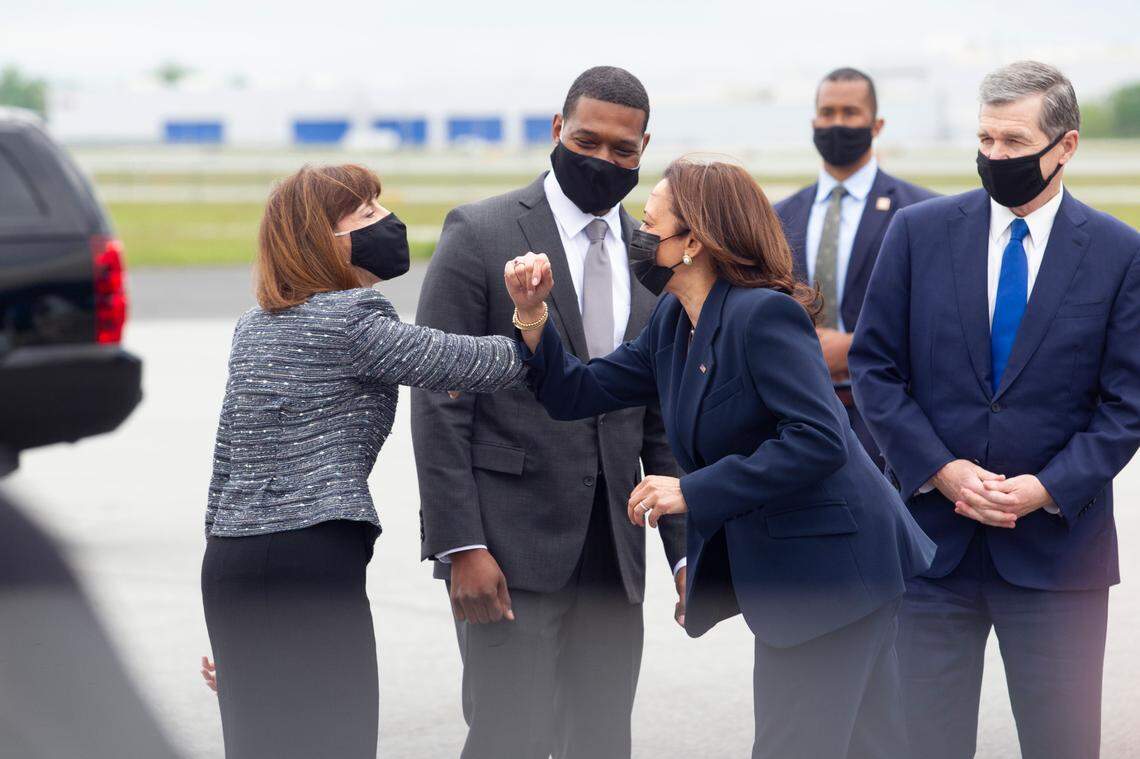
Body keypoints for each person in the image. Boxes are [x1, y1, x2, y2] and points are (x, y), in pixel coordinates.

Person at [503, 157, 935, 759]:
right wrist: (533, 314)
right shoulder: (674, 323)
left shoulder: (764, 314)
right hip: (803, 575)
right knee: (868, 744)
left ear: (693, 242)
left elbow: (818, 438)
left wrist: (692, 489)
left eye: (650, 225)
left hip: (833, 571)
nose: (637, 237)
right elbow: (577, 392)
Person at [849, 61, 1140, 759]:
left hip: (1057, 555)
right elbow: (874, 369)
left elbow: (1126, 403)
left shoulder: (1118, 253)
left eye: (1013, 142)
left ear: (1064, 146)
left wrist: (1048, 487)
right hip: (929, 552)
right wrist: (941, 469)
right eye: (985, 139)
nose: (995, 157)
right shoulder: (919, 234)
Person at [199, 164, 534, 759]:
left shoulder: (254, 327)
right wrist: (532, 322)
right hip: (310, 558)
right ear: (322, 240)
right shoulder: (353, 320)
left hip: (231, 564)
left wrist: (234, 635)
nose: (388, 223)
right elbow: (474, 364)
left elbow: (226, 464)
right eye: (368, 215)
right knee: (338, 739)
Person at [411, 66, 685, 759]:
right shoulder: (480, 231)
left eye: (624, 150)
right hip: (508, 547)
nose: (604, 160)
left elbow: (658, 417)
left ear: (643, 148)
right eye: (588, 140)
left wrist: (687, 552)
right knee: (512, 739)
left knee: (602, 742)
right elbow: (440, 401)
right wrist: (459, 544)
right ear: (558, 130)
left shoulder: (650, 253)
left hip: (614, 552)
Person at [774, 67, 935, 466]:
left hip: (887, 417)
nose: (837, 123)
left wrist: (855, 348)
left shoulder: (922, 214)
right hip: (797, 413)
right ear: (814, 121)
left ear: (876, 124)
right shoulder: (778, 217)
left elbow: (940, 322)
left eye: (850, 112)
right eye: (827, 113)